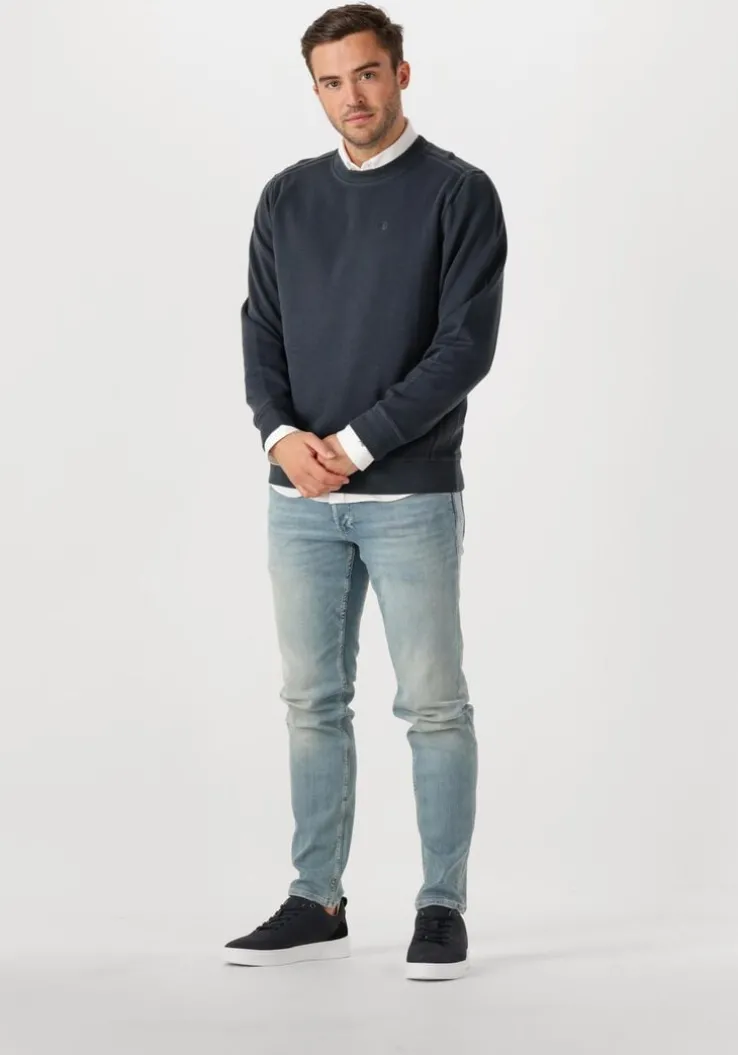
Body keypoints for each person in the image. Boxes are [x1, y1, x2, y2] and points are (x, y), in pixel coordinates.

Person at [225, 2, 507, 981]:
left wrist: (350, 442)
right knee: (311, 701)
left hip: (411, 496)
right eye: (332, 81)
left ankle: (441, 906)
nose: (352, 96)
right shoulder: (286, 197)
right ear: (315, 89)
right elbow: (261, 328)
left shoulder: (458, 192)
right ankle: (318, 897)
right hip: (298, 499)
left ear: (401, 74)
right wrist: (281, 436)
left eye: (368, 73)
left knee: (432, 704)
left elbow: (463, 349)